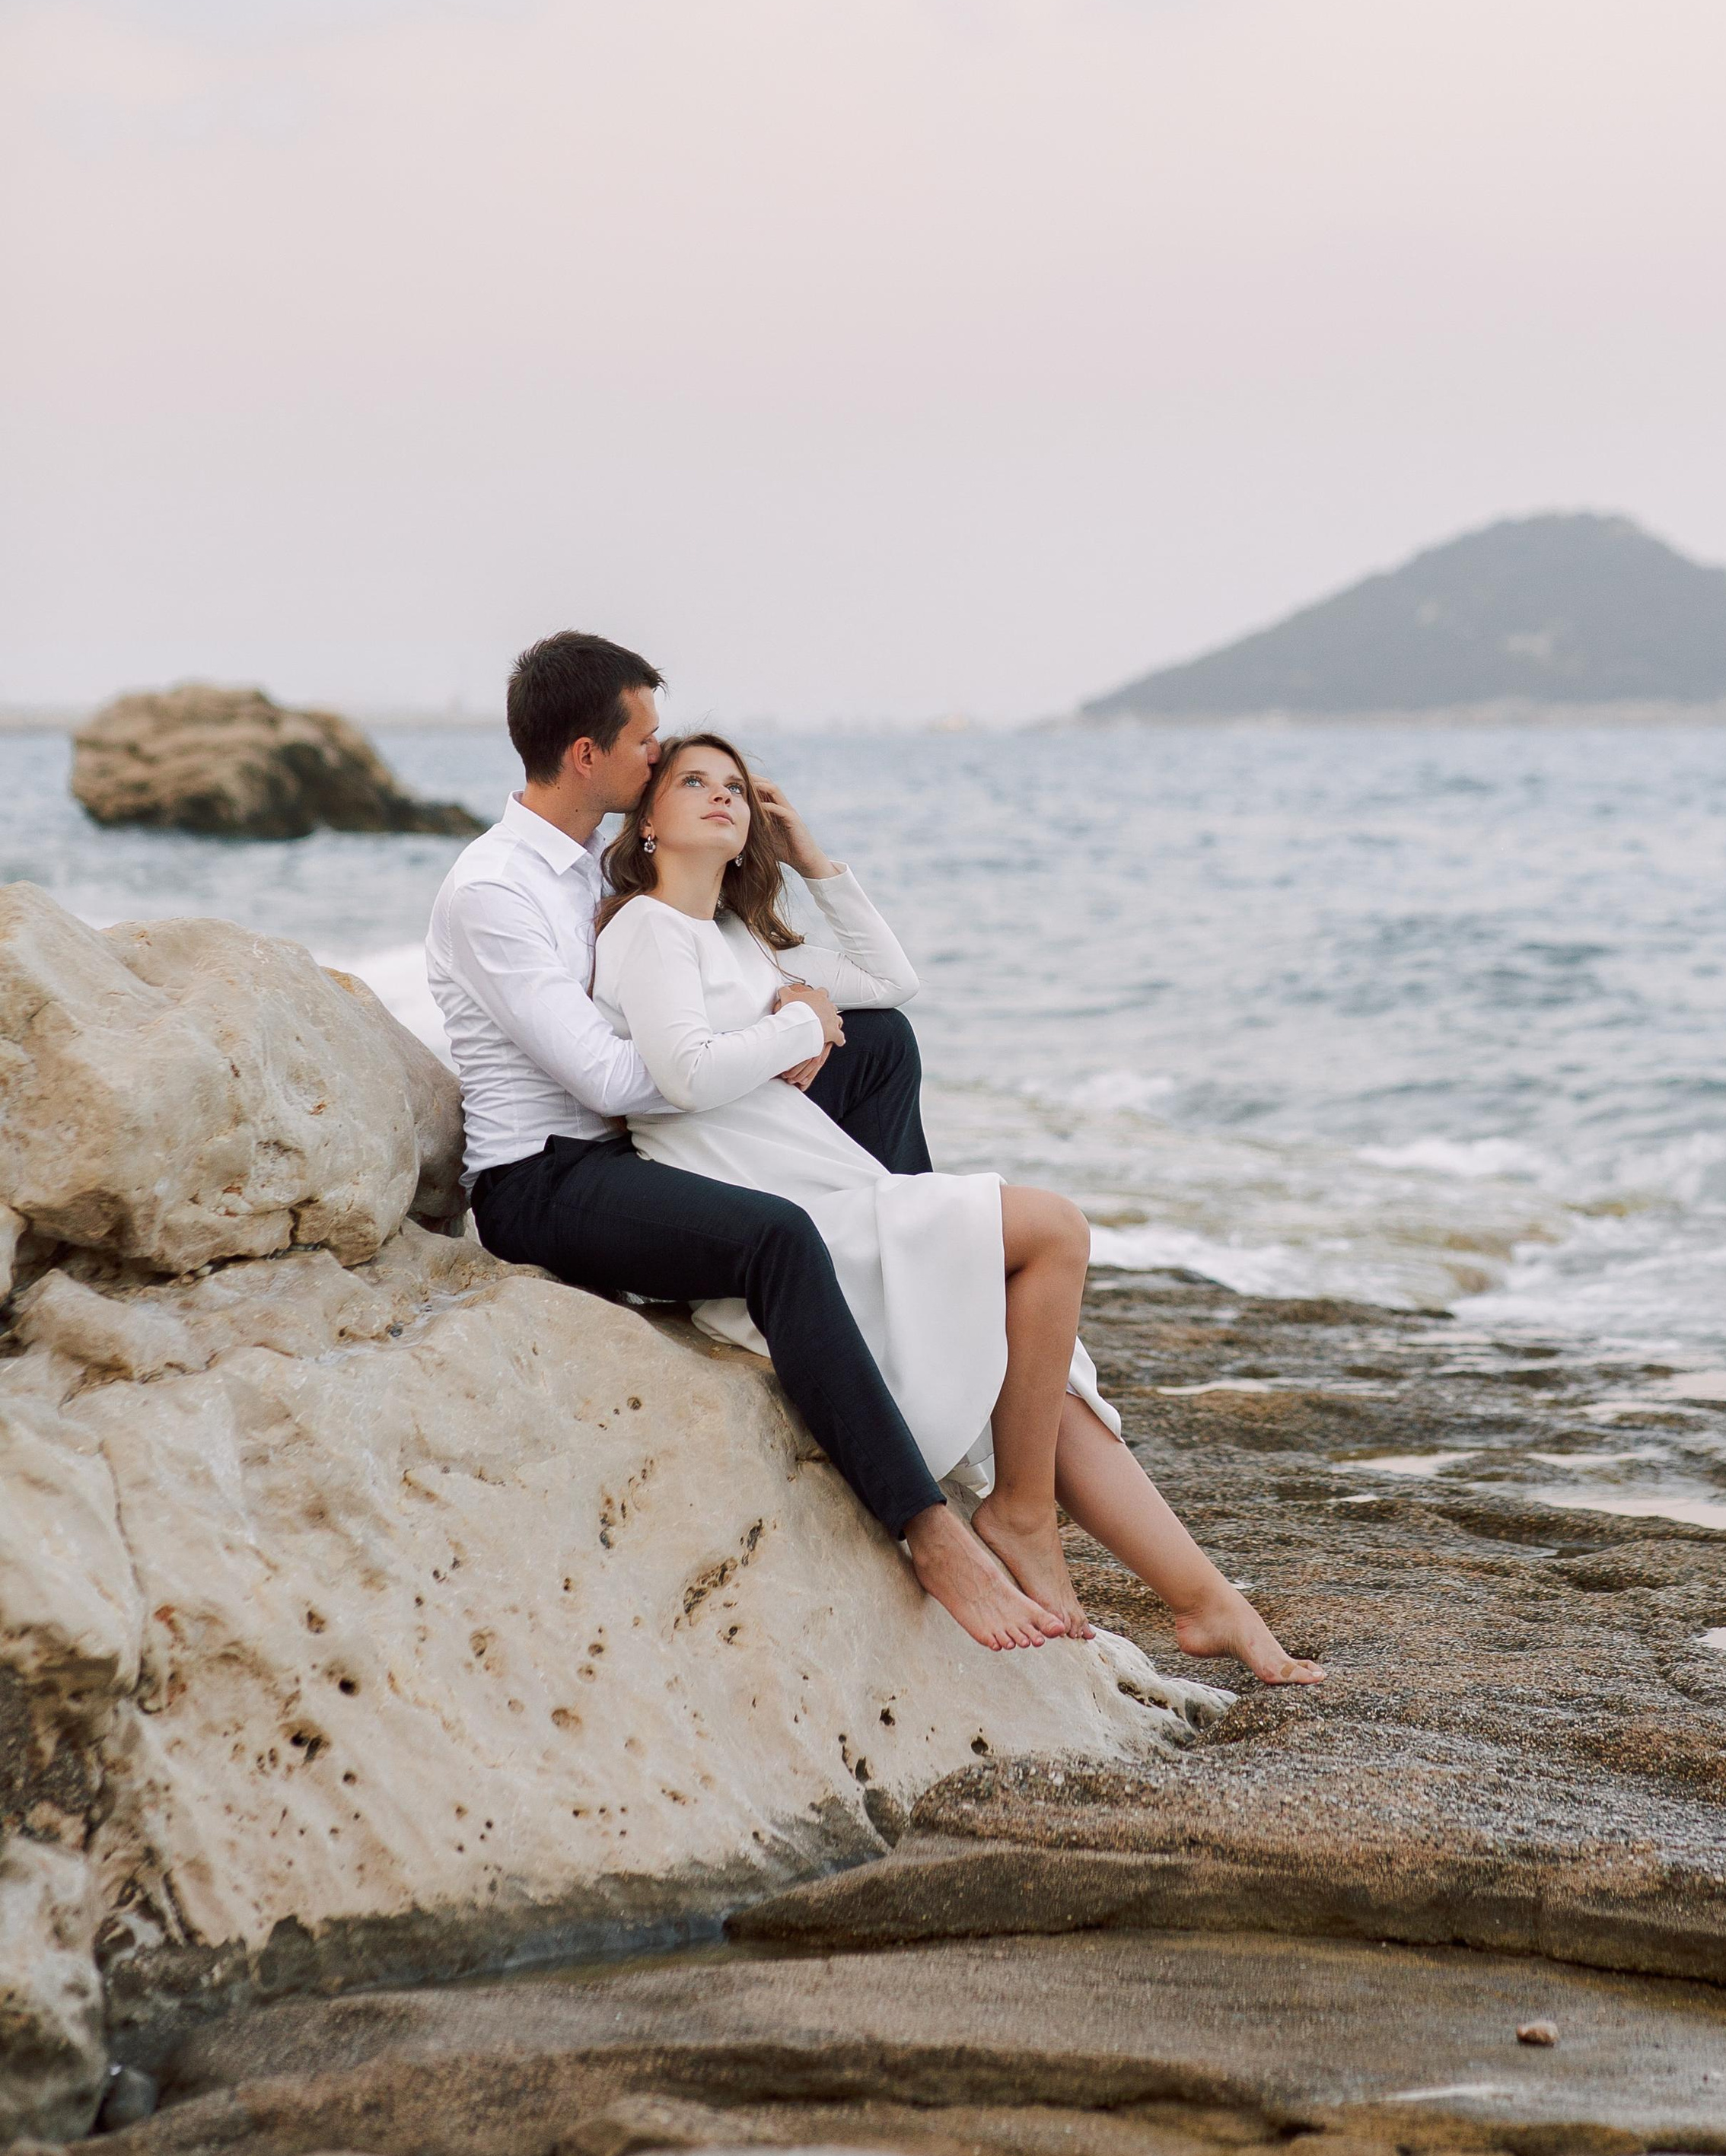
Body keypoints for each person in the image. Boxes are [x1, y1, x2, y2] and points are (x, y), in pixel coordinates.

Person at [588, 726, 1322, 1686]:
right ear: (648, 823)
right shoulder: (645, 928)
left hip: (829, 1186)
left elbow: (893, 983)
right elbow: (682, 1075)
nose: (722, 796)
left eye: (735, 786)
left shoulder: (740, 938)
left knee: (1044, 1367)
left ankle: (1206, 1602)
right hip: (767, 1209)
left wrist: (811, 860)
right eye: (693, 782)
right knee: (1051, 1229)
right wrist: (799, 1021)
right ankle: (1021, 1515)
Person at [428, 632, 1068, 1654]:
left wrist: (806, 931)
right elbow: (608, 1077)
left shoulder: (604, 863)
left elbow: (874, 986)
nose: (660, 760)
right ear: (587, 755)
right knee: (778, 1239)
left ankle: (910, 1275)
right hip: (546, 1178)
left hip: (648, 1144)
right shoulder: (494, 891)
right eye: (645, 743)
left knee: (882, 1046)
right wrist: (778, 1036)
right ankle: (929, 1527)